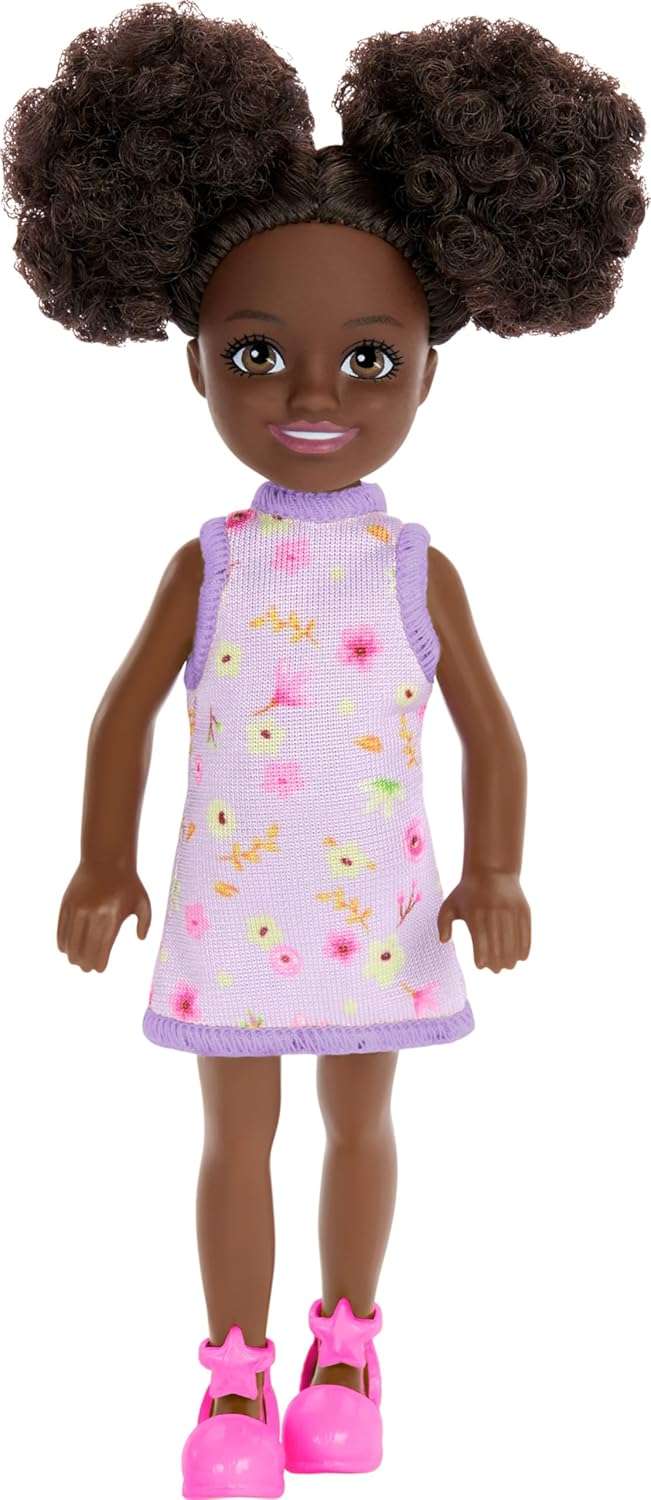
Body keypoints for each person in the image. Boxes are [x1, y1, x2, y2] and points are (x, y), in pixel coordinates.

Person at [3, 6, 645, 1495]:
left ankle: (347, 1349)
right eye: (257, 354)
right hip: (231, 903)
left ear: (426, 374)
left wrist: (497, 869)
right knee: (235, 1139)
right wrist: (101, 859)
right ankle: (234, 1379)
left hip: (379, 904)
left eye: (367, 358)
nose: (311, 398)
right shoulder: (213, 561)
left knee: (362, 1123)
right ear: (196, 370)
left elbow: (493, 728)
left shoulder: (415, 568)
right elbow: (123, 709)